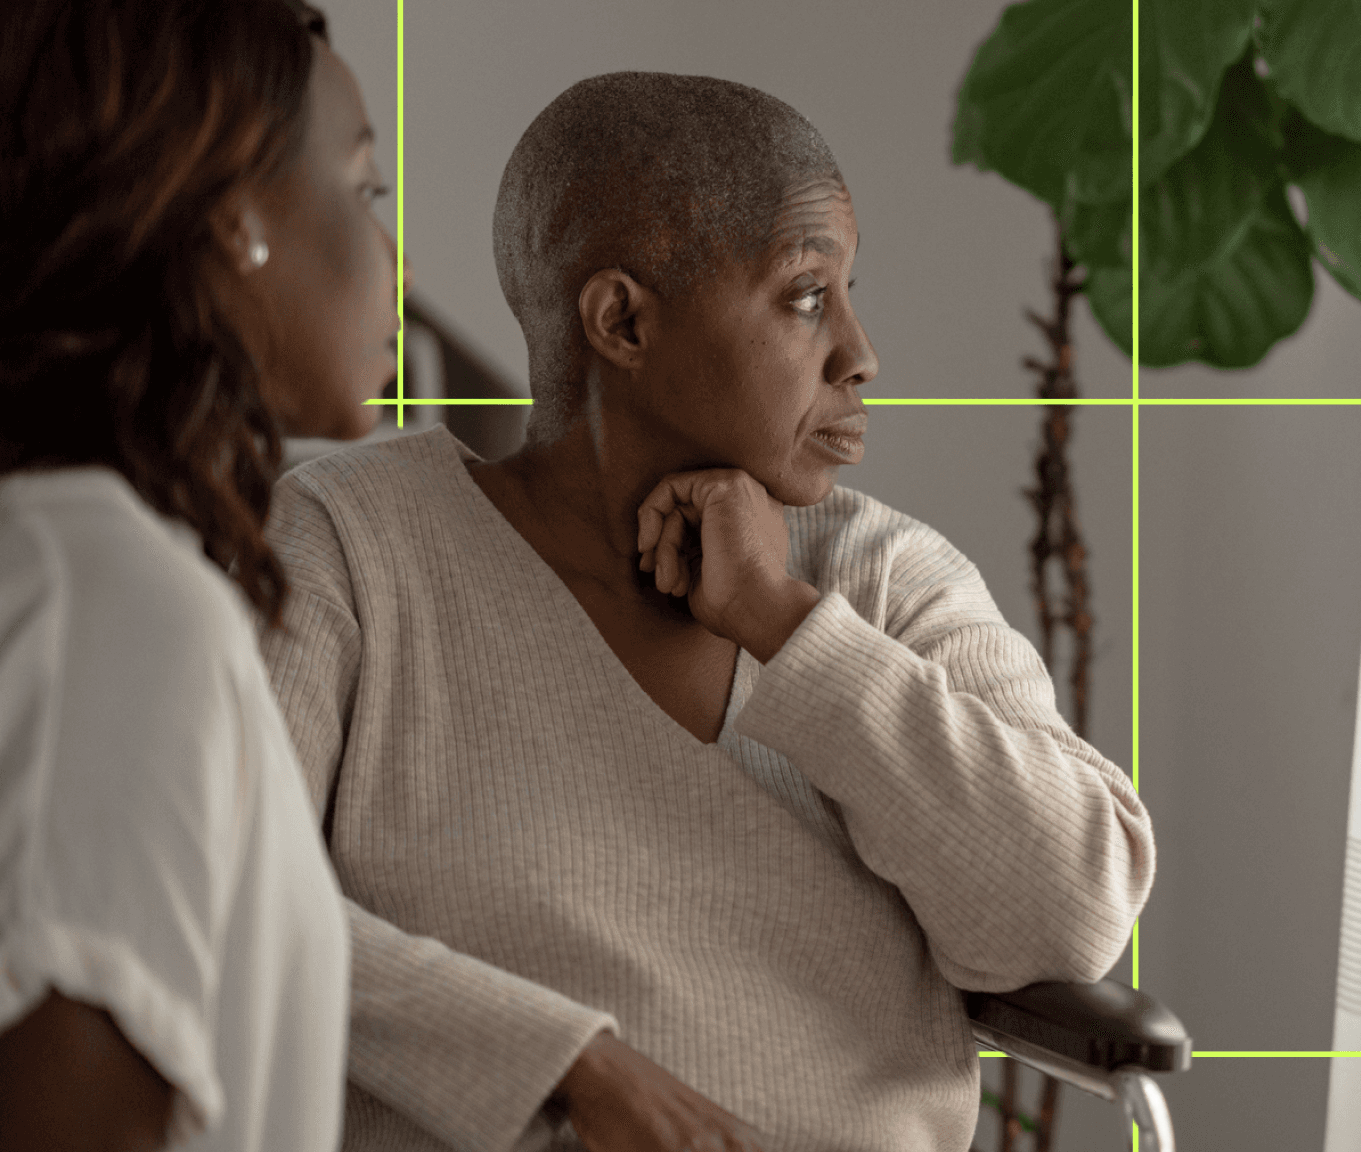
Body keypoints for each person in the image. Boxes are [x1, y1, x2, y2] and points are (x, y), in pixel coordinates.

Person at [259, 71, 1154, 1152]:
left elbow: (1071, 917)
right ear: (622, 321)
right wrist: (569, 1067)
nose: (860, 355)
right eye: (807, 294)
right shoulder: (351, 544)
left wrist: (791, 628)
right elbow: (236, 897)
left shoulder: (887, 578)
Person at [0, 1, 402, 1148]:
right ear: (235, 218)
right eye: (366, 192)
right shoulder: (109, 606)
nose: (397, 259)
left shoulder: (85, 573)